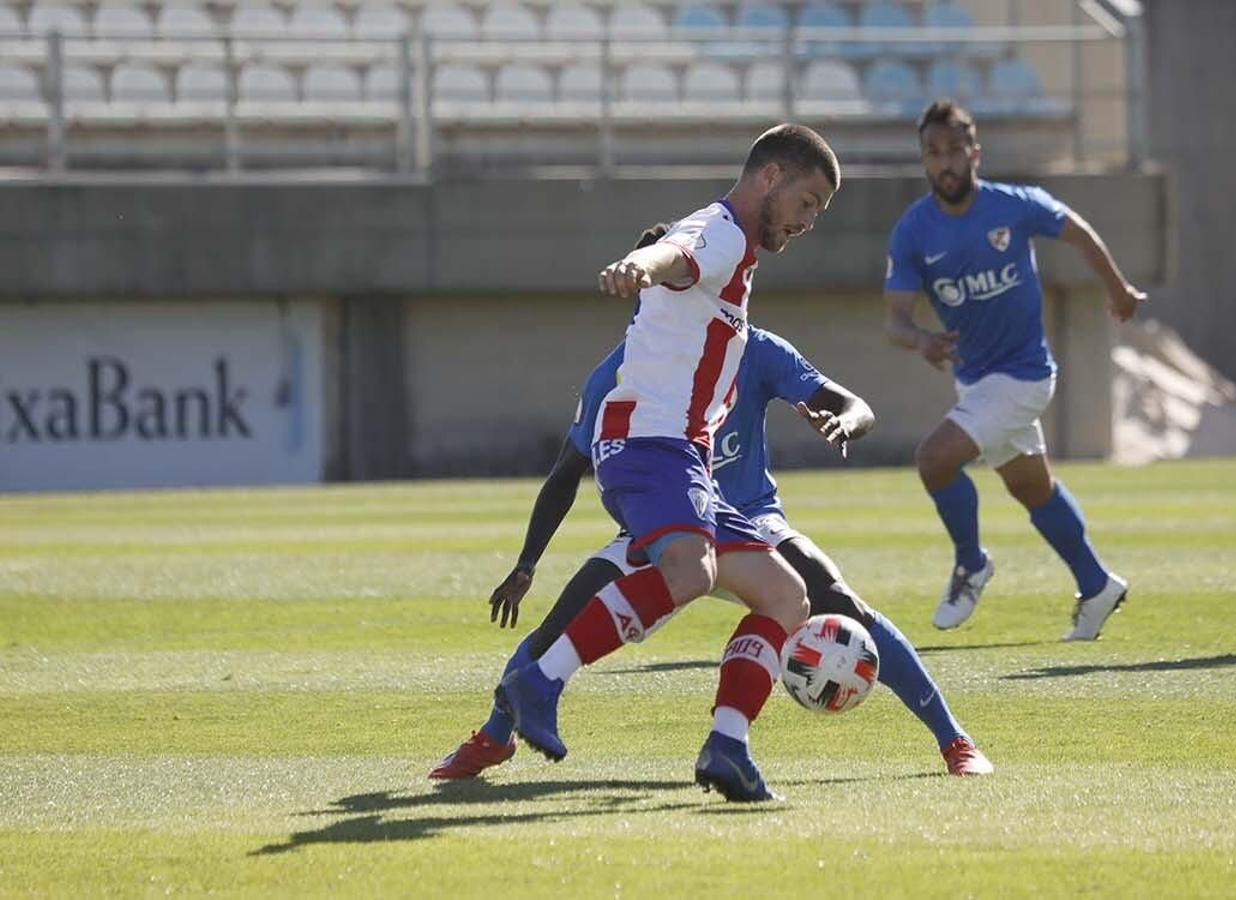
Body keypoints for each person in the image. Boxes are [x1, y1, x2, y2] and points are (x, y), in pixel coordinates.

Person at [430, 310, 994, 782]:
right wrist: (527, 564)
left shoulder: (748, 348)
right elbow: (565, 472)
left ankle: (954, 741)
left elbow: (853, 402)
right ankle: (494, 736)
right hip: (660, 529)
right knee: (561, 622)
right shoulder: (617, 374)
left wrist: (846, 422)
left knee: (839, 601)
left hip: (749, 519)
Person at [492, 124, 840, 802]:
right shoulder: (724, 231)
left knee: (786, 596)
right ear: (770, 176)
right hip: (649, 443)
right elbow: (676, 255)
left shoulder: (733, 248)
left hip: (686, 459)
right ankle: (540, 678)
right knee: (689, 571)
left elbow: (682, 264)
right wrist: (637, 264)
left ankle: (728, 747)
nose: (806, 222)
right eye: (808, 201)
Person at [883, 99, 1146, 637]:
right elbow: (896, 321)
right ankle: (1096, 584)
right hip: (976, 379)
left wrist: (1116, 287)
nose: (946, 162)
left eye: (955, 149)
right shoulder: (913, 232)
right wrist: (922, 341)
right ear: (924, 161)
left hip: (1024, 375)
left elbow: (1078, 231)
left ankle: (971, 563)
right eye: (934, 153)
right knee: (1033, 488)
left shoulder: (1013, 205)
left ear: (975, 153)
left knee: (934, 461)